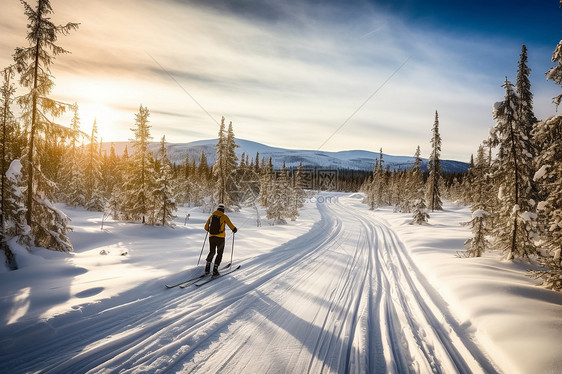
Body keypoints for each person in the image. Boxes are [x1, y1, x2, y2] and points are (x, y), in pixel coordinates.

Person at [204, 203, 237, 276]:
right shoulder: (224, 217)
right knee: (219, 253)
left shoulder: (211, 216)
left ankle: (207, 267)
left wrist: (211, 231)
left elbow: (206, 227)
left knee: (212, 252)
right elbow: (231, 226)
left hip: (211, 237)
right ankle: (215, 269)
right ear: (223, 210)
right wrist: (234, 229)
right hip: (220, 238)